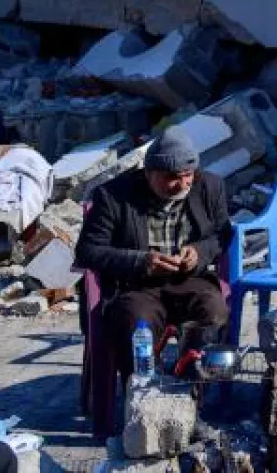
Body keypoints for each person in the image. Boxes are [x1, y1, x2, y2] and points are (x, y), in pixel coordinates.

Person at [74, 129, 232, 379]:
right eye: (172, 177)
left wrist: (198, 253)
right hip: (135, 287)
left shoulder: (209, 187)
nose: (182, 184)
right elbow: (88, 250)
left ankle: (191, 384)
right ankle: (144, 391)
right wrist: (142, 261)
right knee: (136, 322)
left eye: (187, 176)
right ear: (148, 173)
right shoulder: (113, 196)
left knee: (214, 311)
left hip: (189, 281)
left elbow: (223, 235)